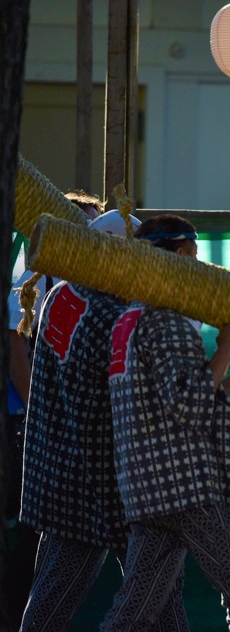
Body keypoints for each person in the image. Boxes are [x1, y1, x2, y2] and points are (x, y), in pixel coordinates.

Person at [102, 215, 230, 631]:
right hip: (185, 487)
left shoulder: (127, 321)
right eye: (196, 258)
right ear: (181, 255)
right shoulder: (168, 320)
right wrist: (228, 351)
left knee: (135, 610)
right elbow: (188, 405)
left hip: (144, 487)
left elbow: (167, 402)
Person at [17, 211, 191, 632]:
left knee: (50, 600)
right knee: (158, 605)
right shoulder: (113, 317)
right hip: (104, 491)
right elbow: (123, 411)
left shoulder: (62, 295)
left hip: (59, 480)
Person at [4, 189, 103, 621]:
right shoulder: (32, 280)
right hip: (29, 423)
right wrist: (39, 411)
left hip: (71, 433)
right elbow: (15, 347)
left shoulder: (94, 288)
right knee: (31, 534)